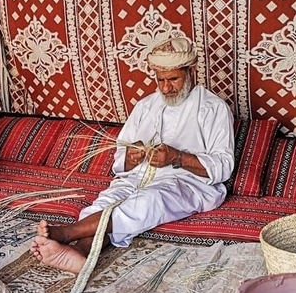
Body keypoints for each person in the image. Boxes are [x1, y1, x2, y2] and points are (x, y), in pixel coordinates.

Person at [30, 37, 234, 274]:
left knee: (146, 203)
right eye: (160, 80)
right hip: (137, 177)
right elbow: (120, 159)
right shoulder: (146, 106)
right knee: (108, 200)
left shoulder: (213, 108)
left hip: (187, 183)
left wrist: (177, 158)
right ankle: (83, 252)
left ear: (192, 71)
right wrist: (131, 157)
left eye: (173, 79)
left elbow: (224, 166)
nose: (166, 87)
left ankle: (67, 232)